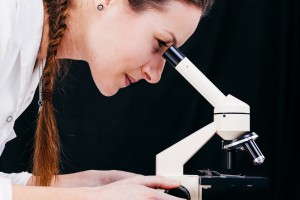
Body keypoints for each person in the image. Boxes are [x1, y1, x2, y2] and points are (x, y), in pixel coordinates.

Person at [0, 0, 214, 199]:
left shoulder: (28, 53)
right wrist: (95, 197)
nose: (155, 75)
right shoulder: (5, 18)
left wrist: (91, 184)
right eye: (159, 43)